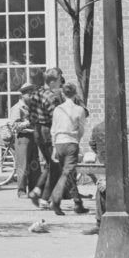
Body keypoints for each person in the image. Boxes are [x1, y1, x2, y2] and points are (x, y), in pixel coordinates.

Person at [36, 83, 90, 222]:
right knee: (66, 174)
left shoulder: (58, 110)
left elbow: (53, 129)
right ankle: (56, 201)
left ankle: (78, 203)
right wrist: (76, 139)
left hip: (59, 142)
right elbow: (82, 129)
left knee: (68, 174)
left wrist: (54, 147)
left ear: (63, 94)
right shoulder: (79, 110)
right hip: (71, 142)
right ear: (75, 93)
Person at [21, 72, 55, 202]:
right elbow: (54, 116)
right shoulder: (48, 96)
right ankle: (41, 193)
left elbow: (31, 117)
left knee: (50, 164)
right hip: (45, 131)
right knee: (53, 164)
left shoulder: (34, 98)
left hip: (37, 132)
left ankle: (42, 193)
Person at [6, 84, 40, 200]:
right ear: (23, 94)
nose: (32, 96)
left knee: (34, 165)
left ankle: (32, 190)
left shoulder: (31, 107)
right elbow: (14, 126)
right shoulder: (17, 108)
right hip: (23, 138)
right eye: (30, 94)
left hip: (33, 137)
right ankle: (21, 191)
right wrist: (29, 122)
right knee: (23, 165)